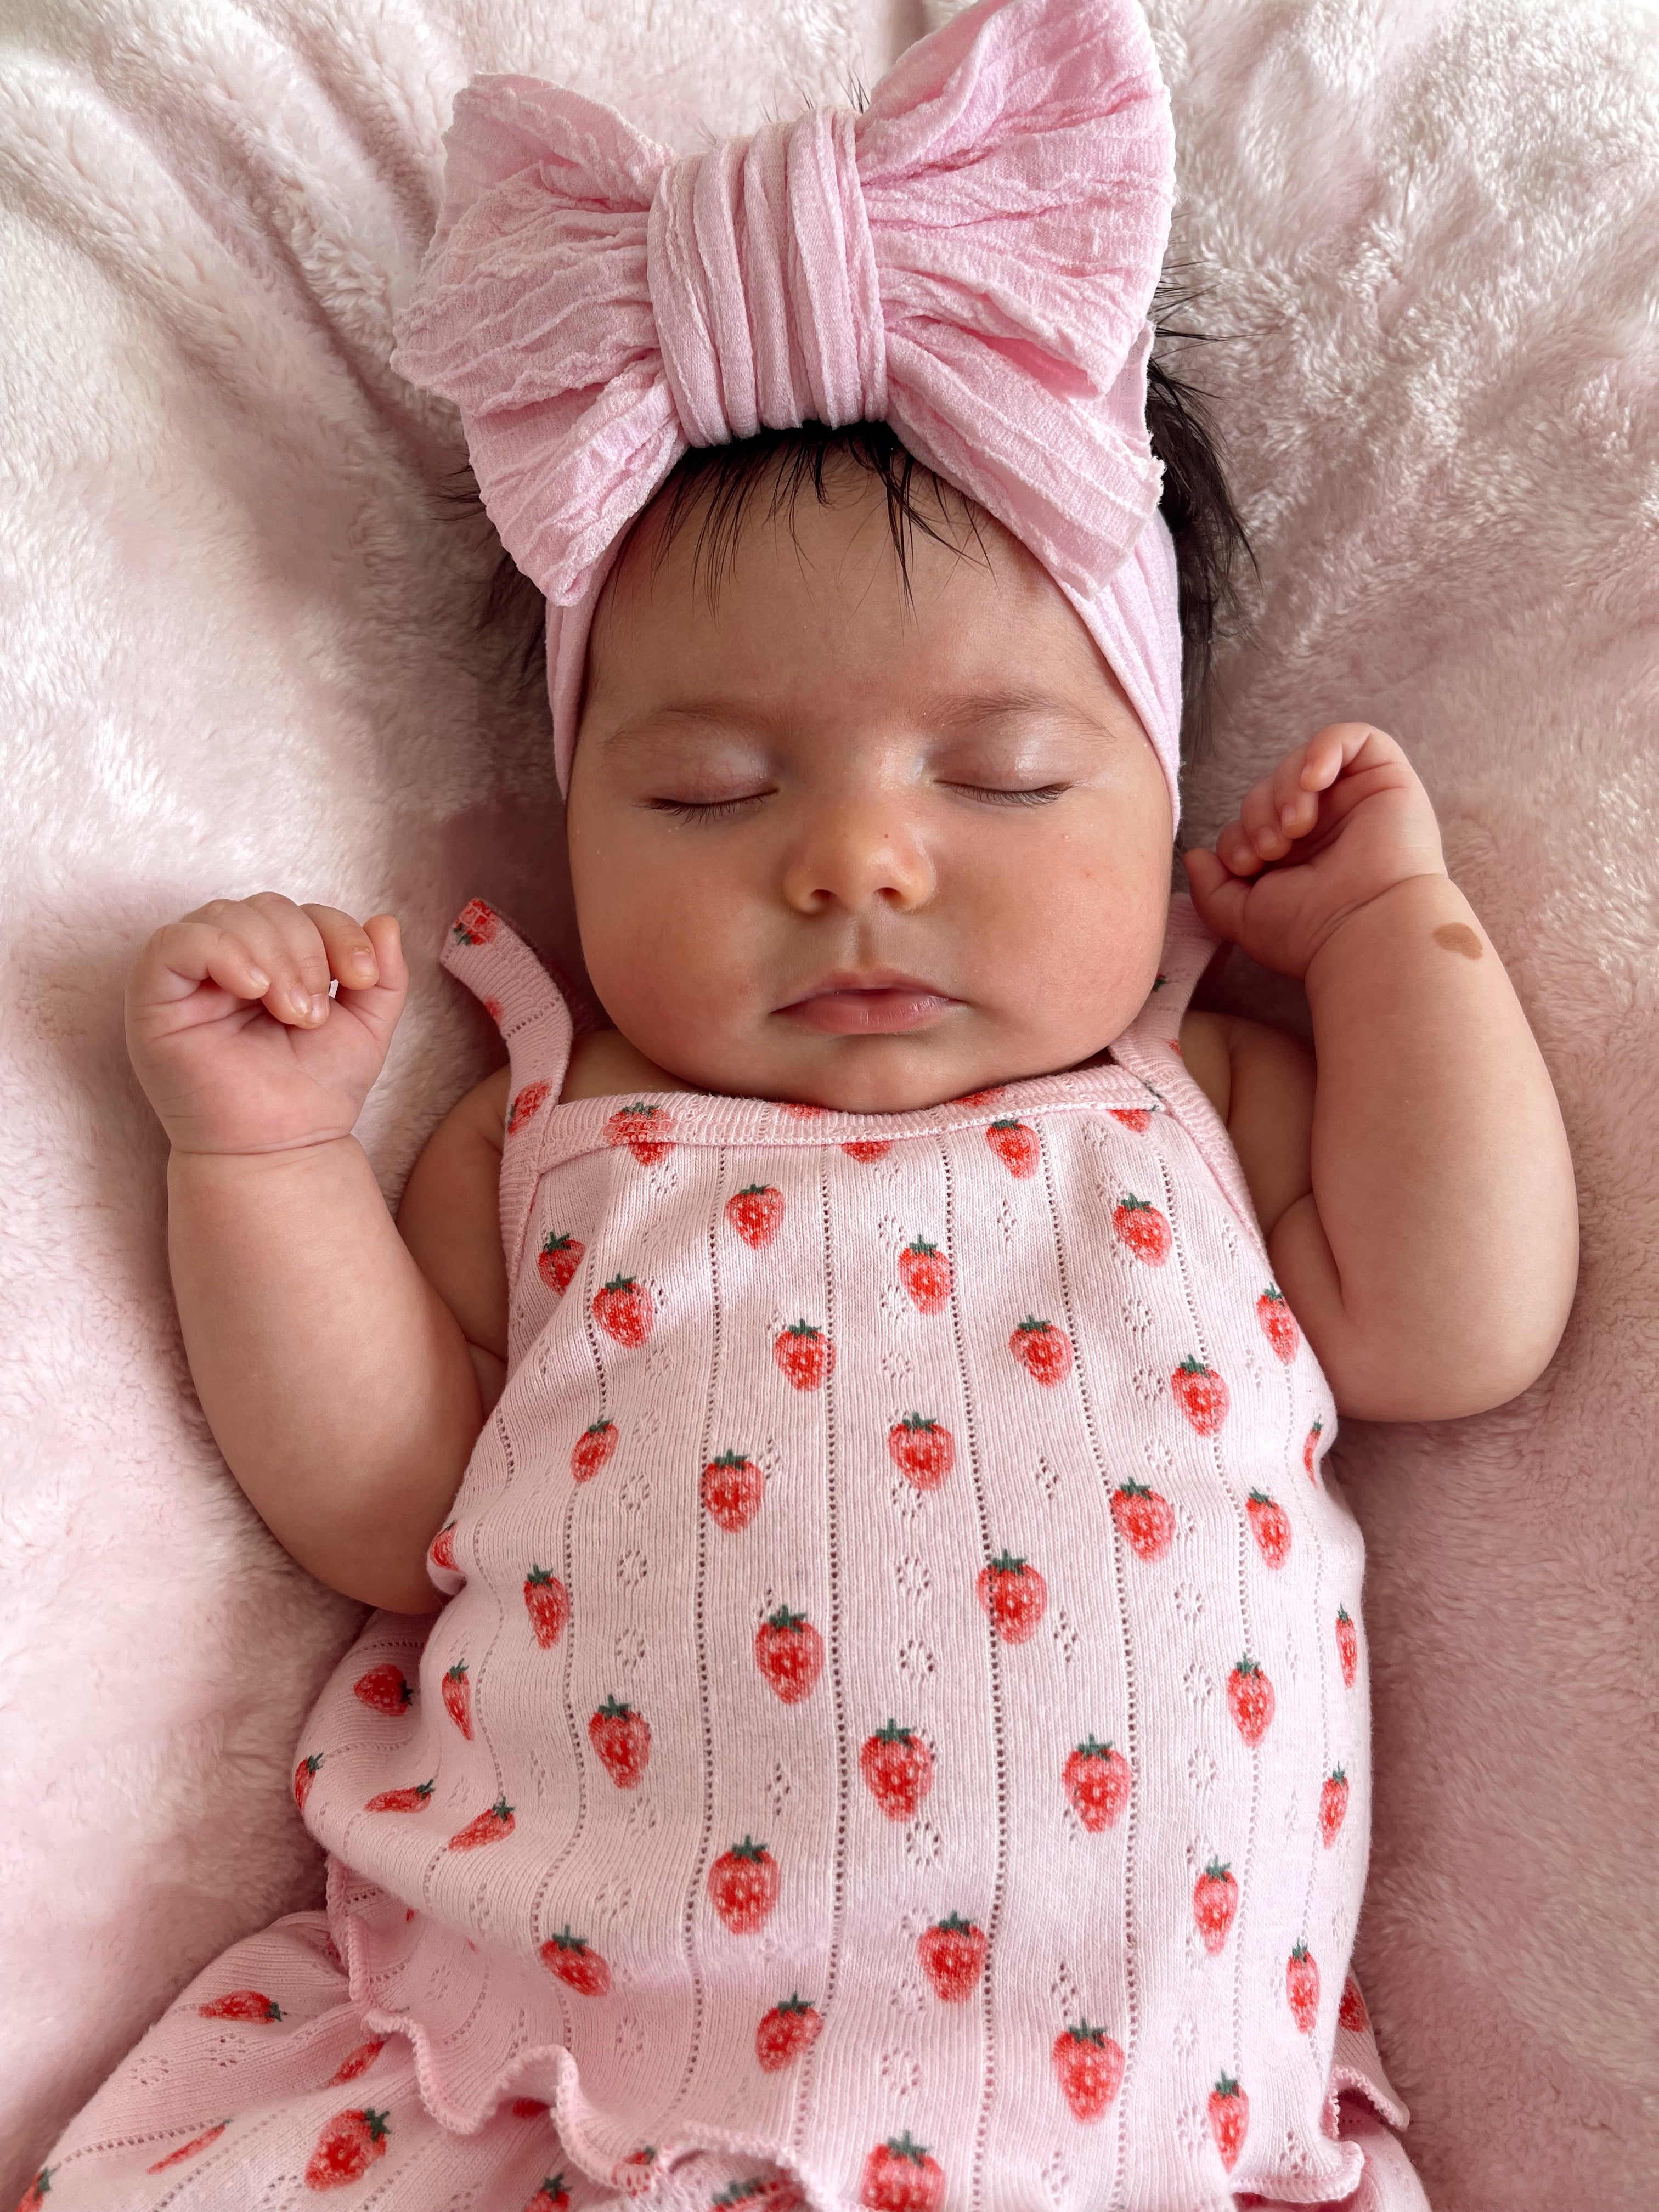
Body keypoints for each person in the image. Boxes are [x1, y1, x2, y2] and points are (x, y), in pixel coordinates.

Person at [29, 0, 1576, 2205]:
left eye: (1004, 775)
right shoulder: (566, 1141)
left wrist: (1398, 940)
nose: (855, 858)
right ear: (574, 828)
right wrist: (264, 1161)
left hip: (1136, 2132)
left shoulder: (1200, 1103)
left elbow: (1466, 1315)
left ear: (1159, 795)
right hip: (570, 2088)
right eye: (709, 789)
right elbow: (389, 1502)